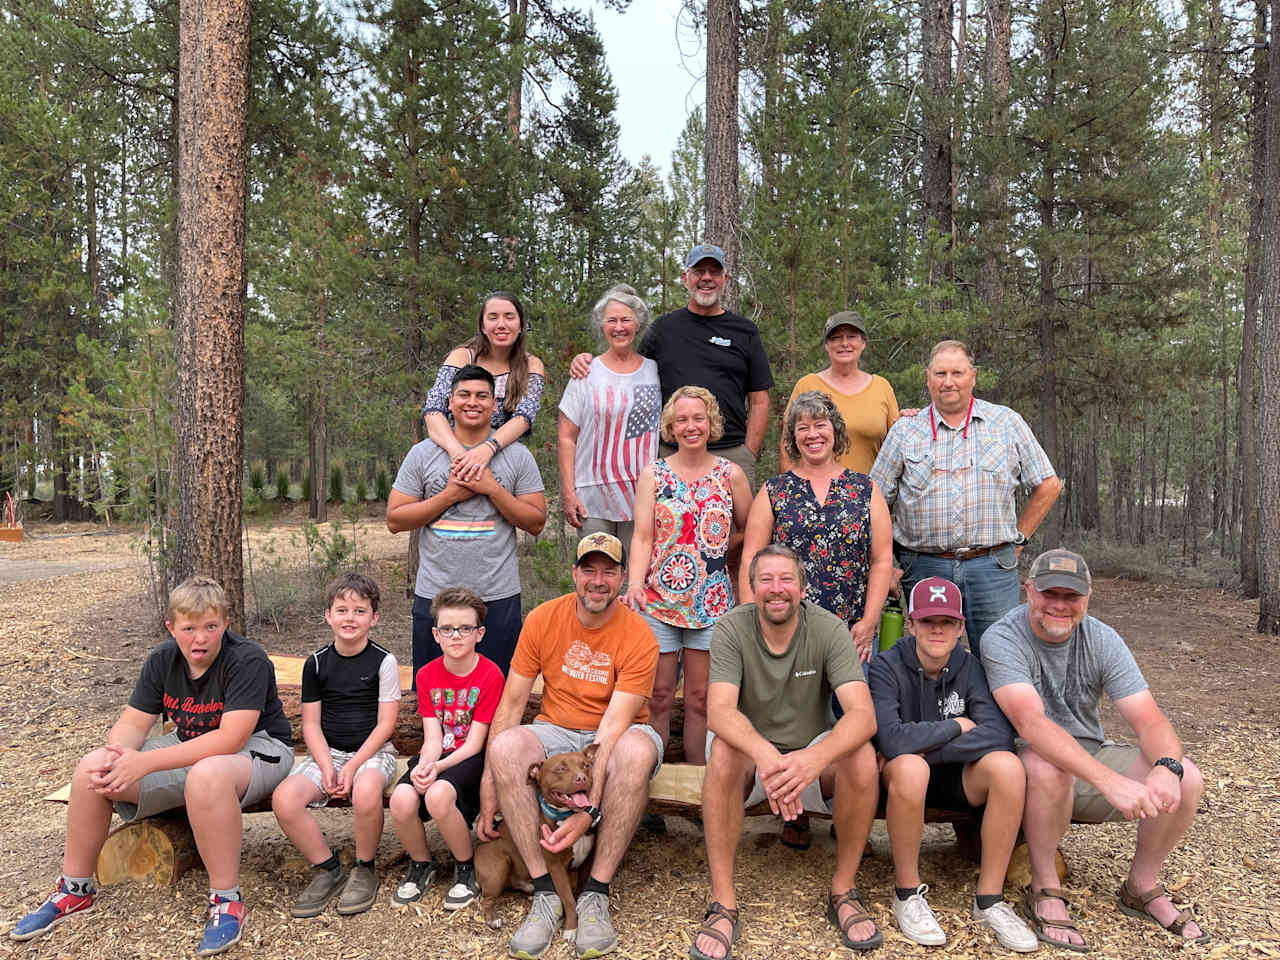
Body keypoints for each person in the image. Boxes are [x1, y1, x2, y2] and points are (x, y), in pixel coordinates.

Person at [9, 576, 294, 956]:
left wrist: (144, 762)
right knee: (92, 768)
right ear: (171, 627)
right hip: (189, 744)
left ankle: (227, 901)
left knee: (207, 777)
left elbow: (230, 739)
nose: (200, 639)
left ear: (226, 624)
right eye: (189, 628)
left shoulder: (247, 659)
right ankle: (74, 889)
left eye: (211, 627)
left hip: (260, 748)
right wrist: (118, 754)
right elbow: (132, 724)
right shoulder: (163, 659)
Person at [982, 549, 1209, 951]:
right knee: (1046, 765)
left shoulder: (1102, 638)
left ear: (1087, 598)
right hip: (1020, 770)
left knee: (1187, 777)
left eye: (1071, 597)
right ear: (1028, 590)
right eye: (1050, 593)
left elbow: (1150, 720)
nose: (1060, 605)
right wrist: (1110, 782)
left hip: (1087, 758)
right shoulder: (1002, 637)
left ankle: (1141, 886)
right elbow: (1031, 725)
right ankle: (1044, 886)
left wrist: (1167, 766)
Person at [691, 545, 882, 960]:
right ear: (752, 586)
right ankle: (723, 903)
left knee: (861, 755)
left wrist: (810, 761)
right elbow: (720, 712)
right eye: (766, 580)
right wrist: (767, 757)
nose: (777, 590)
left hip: (808, 755)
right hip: (752, 754)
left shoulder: (829, 628)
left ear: (803, 586)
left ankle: (844, 890)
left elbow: (864, 716)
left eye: (786, 580)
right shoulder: (731, 627)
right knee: (723, 752)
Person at [476, 532, 661, 959]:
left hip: (616, 731)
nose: (598, 581)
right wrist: (490, 782)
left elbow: (611, 730)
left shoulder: (638, 635)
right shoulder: (543, 619)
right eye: (589, 570)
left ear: (621, 578)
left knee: (634, 753)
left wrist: (587, 810)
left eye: (609, 571)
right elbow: (512, 703)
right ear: (574, 573)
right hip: (556, 728)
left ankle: (595, 892)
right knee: (506, 747)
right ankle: (544, 890)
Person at [867, 577, 1037, 952]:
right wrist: (955, 726)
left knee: (1008, 766)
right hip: (902, 782)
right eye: (928, 621)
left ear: (961, 627)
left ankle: (990, 900)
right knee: (911, 766)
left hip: (957, 776)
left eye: (947, 621)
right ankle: (907, 893)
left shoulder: (969, 666)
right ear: (910, 624)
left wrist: (928, 746)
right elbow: (891, 739)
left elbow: (997, 734)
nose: (937, 630)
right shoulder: (885, 665)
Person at [870, 340, 1062, 660]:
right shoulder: (906, 431)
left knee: (1000, 657)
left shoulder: (1006, 423)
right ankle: (938, 713)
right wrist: (886, 562)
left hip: (992, 567)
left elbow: (1048, 484)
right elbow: (875, 501)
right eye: (940, 373)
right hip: (924, 566)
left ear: (972, 377)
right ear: (928, 379)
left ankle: (993, 713)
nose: (948, 381)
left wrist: (1019, 538)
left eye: (957, 372)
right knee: (932, 660)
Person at [388, 364, 547, 677]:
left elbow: (536, 521)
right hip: (436, 596)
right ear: (449, 401)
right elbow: (395, 519)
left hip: (496, 596)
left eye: (481, 396)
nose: (472, 402)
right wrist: (449, 496)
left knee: (497, 690)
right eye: (464, 395)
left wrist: (492, 489)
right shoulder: (423, 454)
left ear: (493, 405)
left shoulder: (517, 456)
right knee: (433, 695)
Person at [571, 244, 773, 487]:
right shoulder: (663, 329)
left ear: (725, 279)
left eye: (714, 272)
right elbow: (625, 365)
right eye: (699, 271)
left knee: (735, 526)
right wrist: (585, 360)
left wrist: (748, 453)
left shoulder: (745, 331)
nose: (706, 278)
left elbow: (760, 400)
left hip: (730, 455)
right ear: (685, 278)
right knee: (671, 525)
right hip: (673, 455)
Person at [624, 386, 751, 766]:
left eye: (698, 418)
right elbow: (643, 536)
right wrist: (633, 583)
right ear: (670, 426)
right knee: (658, 695)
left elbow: (750, 530)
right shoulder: (654, 474)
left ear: (711, 423)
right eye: (682, 420)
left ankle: (699, 789)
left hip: (712, 604)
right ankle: (649, 781)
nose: (690, 426)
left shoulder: (732, 475)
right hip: (658, 600)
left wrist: (716, 551)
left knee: (700, 699)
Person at [270, 574, 400, 919]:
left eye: (360, 611)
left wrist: (354, 767)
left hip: (372, 752)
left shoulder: (383, 662)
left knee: (367, 791)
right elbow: (311, 723)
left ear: (374, 618)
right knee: (285, 799)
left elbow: (386, 724)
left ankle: (364, 866)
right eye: (341, 610)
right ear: (327, 615)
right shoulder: (315, 663)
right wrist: (327, 765)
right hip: (329, 752)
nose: (349, 618)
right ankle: (327, 867)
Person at [740, 390, 893, 665]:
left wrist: (869, 622)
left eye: (820, 425)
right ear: (793, 438)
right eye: (803, 428)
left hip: (850, 633)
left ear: (836, 431)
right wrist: (751, 619)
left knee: (851, 707)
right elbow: (751, 558)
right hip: (786, 631)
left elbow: (881, 560)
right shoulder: (775, 491)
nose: (813, 435)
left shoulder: (865, 489)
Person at [388, 587, 505, 910]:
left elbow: (476, 742)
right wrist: (426, 765)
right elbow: (432, 737)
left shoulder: (490, 674)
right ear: (435, 635)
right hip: (439, 754)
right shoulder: (426, 676)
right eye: (448, 629)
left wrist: (438, 769)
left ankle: (465, 866)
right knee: (401, 798)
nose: (456, 636)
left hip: (472, 757)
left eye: (465, 628)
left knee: (439, 796)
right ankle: (421, 864)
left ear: (479, 634)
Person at [558, 285, 661, 546]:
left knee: (635, 578)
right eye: (612, 320)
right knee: (597, 576)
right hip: (592, 497)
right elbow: (567, 438)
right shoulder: (586, 373)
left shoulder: (654, 372)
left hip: (642, 495)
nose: (619, 327)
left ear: (638, 324)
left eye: (626, 320)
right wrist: (569, 493)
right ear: (601, 325)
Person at [422, 291, 546, 483]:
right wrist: (457, 452)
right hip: (454, 450)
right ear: (483, 326)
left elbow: (524, 417)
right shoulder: (462, 357)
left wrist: (487, 449)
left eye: (509, 317)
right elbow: (433, 410)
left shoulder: (531, 365)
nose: (501, 324)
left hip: (504, 454)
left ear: (520, 325)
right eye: (493, 317)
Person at [781, 311, 899, 475]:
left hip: (871, 494)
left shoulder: (882, 387)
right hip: (815, 495)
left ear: (863, 342)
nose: (844, 343)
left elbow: (898, 448)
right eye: (836, 338)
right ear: (826, 345)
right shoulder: (807, 385)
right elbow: (787, 447)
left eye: (851, 336)